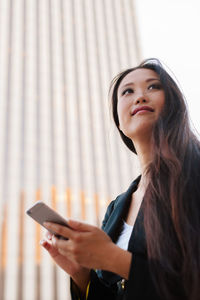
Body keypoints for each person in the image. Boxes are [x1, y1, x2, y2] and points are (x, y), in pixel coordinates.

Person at [40, 58, 200, 300]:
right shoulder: (117, 207)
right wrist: (81, 274)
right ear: (118, 119)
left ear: (173, 103)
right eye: (127, 91)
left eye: (153, 87)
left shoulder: (194, 173)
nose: (140, 97)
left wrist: (113, 258)